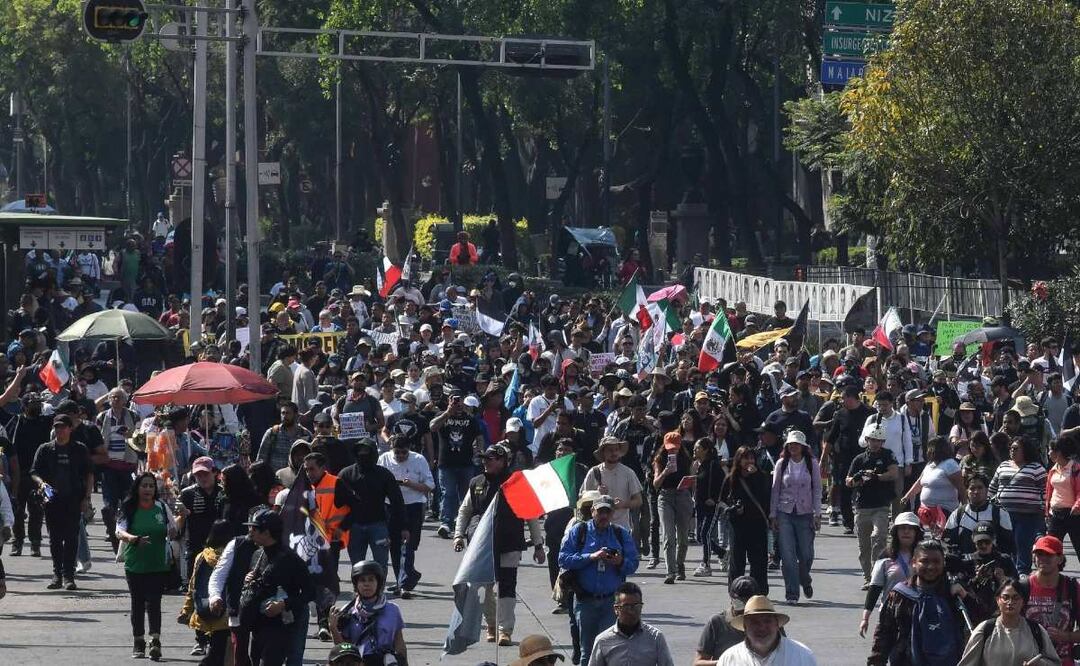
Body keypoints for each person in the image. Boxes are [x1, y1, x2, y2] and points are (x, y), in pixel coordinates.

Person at [454, 444, 544, 646]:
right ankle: (491, 626)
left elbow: (530, 515)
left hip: (510, 543)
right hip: (481, 545)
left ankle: (505, 630)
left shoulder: (517, 483)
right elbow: (465, 511)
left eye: (491, 458)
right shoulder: (476, 482)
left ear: (504, 461)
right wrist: (458, 535)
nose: (486, 462)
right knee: (482, 587)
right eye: (484, 458)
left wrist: (538, 545)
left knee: (507, 587)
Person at [558, 494, 640, 666]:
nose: (604, 516)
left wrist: (620, 562)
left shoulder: (620, 534)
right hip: (585, 600)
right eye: (600, 511)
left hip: (611, 602)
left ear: (612, 514)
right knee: (587, 652)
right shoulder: (579, 531)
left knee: (610, 650)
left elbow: (633, 564)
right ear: (593, 511)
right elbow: (563, 558)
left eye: (607, 512)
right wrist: (590, 557)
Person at [869, 539, 969, 666]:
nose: (931, 567)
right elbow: (884, 632)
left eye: (936, 561)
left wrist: (966, 597)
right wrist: (876, 661)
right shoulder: (900, 595)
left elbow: (981, 622)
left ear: (944, 563)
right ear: (913, 563)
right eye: (924, 561)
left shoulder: (955, 594)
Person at [237, 508, 314, 666]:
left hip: (281, 626)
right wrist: (248, 580)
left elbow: (310, 592)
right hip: (257, 624)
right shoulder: (257, 555)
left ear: (267, 533)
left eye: (255, 529)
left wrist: (283, 604)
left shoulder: (290, 559)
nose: (250, 532)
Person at [116, 472, 178, 660]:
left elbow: (173, 531)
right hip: (135, 564)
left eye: (151, 486)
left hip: (158, 564)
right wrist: (133, 539)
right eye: (144, 486)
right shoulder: (129, 507)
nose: (148, 489)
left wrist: (178, 523)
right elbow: (119, 531)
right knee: (137, 603)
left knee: (154, 603)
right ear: (137, 488)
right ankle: (138, 641)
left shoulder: (161, 507)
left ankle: (155, 640)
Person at [31, 414, 94, 591]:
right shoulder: (45, 449)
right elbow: (34, 472)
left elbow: (90, 474)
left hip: (74, 499)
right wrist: (41, 483)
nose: (59, 430)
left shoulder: (79, 449)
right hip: (52, 501)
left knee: (72, 538)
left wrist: (87, 498)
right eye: (57, 427)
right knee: (55, 539)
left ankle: (69, 576)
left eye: (63, 427)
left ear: (70, 428)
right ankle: (57, 575)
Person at [770, 429, 821, 605]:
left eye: (797, 444)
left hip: (805, 512)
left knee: (806, 554)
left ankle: (804, 579)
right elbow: (775, 490)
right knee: (788, 555)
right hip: (785, 512)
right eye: (791, 444)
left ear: (803, 446)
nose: (793, 446)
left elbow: (817, 489)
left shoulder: (811, 463)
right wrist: (773, 514)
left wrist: (817, 513)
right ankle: (792, 592)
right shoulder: (781, 464)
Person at [378, 435, 434, 597]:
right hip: (391, 506)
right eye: (397, 453)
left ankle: (406, 578)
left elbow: (430, 486)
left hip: (413, 506)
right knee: (395, 546)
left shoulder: (419, 460)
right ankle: (400, 582)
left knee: (408, 545)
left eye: (404, 453)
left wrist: (411, 484)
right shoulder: (384, 459)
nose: (401, 456)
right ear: (391, 449)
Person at [336, 439, 405, 570]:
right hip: (353, 526)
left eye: (367, 452)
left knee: (381, 565)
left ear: (374, 454)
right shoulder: (346, 474)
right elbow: (337, 503)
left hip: (378, 525)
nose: (363, 456)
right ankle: (359, 590)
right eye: (360, 452)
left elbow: (397, 502)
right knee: (357, 566)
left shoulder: (384, 474)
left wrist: (403, 527)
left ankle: (379, 590)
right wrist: (341, 526)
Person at [958, 577, 1060, 665]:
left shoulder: (1036, 630)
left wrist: (1040, 664)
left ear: (1023, 601)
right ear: (998, 600)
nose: (1010, 602)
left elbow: (1055, 663)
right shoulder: (985, 630)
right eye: (1005, 597)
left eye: (1016, 598)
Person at [847, 424, 900, 589]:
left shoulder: (888, 455)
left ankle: (878, 576)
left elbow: (893, 473)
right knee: (864, 546)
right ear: (867, 440)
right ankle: (868, 577)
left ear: (882, 441)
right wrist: (858, 477)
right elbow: (848, 482)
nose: (875, 443)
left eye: (878, 440)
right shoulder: (859, 459)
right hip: (862, 507)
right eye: (872, 440)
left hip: (881, 506)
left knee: (878, 538)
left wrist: (877, 477)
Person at [328, 561, 408, 664]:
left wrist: (404, 662)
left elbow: (399, 642)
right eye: (362, 580)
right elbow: (343, 650)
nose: (367, 584)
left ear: (378, 583)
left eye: (371, 580)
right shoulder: (348, 612)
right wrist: (333, 629)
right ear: (356, 584)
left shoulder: (392, 610)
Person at [177, 519, 234, 666]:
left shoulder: (202, 556)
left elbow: (192, 586)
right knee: (219, 656)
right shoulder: (233, 557)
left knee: (215, 654)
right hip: (225, 614)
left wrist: (186, 610)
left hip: (204, 611)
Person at [859, 512, 924, 637]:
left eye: (910, 528)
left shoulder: (925, 556)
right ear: (896, 532)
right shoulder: (886, 556)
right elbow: (874, 589)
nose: (906, 531)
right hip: (890, 613)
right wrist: (865, 619)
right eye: (902, 528)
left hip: (919, 613)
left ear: (917, 532)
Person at [989, 437, 1047, 575]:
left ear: (1025, 451)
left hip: (1026, 517)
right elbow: (992, 488)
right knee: (1003, 546)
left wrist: (1043, 510)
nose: (1012, 451)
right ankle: (1005, 575)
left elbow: (1045, 492)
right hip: (1003, 515)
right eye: (1011, 448)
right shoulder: (1003, 466)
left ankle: (1022, 575)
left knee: (1022, 547)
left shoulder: (1037, 468)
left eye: (1016, 449)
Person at [431, 390, 483, 538]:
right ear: (449, 401)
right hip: (446, 463)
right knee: (448, 493)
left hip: (466, 463)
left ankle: (462, 524)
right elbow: (432, 427)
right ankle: (446, 523)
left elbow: (479, 436)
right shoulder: (442, 415)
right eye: (454, 400)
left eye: (459, 400)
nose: (457, 403)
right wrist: (448, 413)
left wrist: (480, 450)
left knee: (466, 495)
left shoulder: (470, 419)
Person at [822, 385, 873, 534]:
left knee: (865, 489)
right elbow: (831, 438)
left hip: (865, 458)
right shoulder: (840, 414)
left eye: (844, 398)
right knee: (845, 490)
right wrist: (823, 458)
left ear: (852, 397)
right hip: (844, 459)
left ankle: (865, 522)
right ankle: (848, 523)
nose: (842, 400)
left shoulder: (869, 413)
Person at [721, 445, 772, 596]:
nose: (749, 461)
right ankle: (736, 593)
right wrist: (733, 509)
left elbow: (766, 498)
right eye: (745, 458)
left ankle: (760, 593)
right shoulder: (731, 479)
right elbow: (722, 501)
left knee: (759, 562)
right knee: (737, 562)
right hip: (738, 526)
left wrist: (756, 477)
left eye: (751, 458)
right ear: (738, 460)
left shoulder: (761, 477)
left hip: (757, 524)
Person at [1023, 535, 1080, 664]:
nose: (1043, 558)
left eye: (1048, 554)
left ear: (1060, 559)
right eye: (1039, 554)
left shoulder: (1072, 588)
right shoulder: (1023, 587)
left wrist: (1065, 636)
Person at [588, 581, 674, 665]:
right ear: (616, 609)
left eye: (636, 606)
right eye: (626, 606)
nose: (631, 611)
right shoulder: (603, 640)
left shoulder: (655, 638)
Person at [716, 595, 817, 665]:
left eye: (767, 621)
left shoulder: (802, 655)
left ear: (777, 625)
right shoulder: (729, 658)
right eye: (754, 622)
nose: (761, 627)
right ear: (745, 627)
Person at [652, 431, 693, 584]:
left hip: (683, 496)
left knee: (683, 538)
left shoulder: (686, 459)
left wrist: (692, 477)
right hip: (665, 497)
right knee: (668, 536)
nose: (672, 451)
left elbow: (692, 479)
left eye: (675, 448)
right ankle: (670, 572)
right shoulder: (659, 459)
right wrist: (665, 471)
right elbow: (655, 484)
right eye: (669, 448)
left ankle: (679, 564)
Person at [580, 436, 644, 534]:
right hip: (597, 528)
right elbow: (582, 499)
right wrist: (597, 494)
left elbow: (638, 501)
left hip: (621, 528)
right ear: (603, 452)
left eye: (616, 449)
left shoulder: (628, 472)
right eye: (610, 450)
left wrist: (623, 504)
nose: (614, 453)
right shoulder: (594, 472)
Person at [943, 472, 1015, 557]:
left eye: (980, 488)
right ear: (967, 491)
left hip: (994, 566)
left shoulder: (1000, 514)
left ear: (987, 490)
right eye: (972, 488)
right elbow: (947, 542)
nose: (976, 492)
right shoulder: (958, 514)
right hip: (965, 565)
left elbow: (1009, 545)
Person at [694, 575, 761, 665]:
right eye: (740, 603)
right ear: (731, 599)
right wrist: (727, 662)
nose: (744, 609)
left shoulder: (768, 623)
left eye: (749, 603)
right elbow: (698, 663)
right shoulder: (717, 622)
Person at [900, 436, 965, 514]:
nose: (928, 451)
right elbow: (919, 482)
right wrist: (906, 497)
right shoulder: (929, 464)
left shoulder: (950, 464)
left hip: (944, 512)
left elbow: (961, 488)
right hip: (925, 512)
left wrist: (964, 509)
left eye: (930, 448)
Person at [692, 436, 725, 577]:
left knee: (705, 534)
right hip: (699, 505)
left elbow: (723, 484)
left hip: (711, 506)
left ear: (706, 450)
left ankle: (706, 565)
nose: (695, 450)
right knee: (700, 536)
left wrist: (716, 499)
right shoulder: (699, 465)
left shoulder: (713, 465)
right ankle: (723, 553)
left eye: (698, 447)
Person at [1046, 437, 1080, 560]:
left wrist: (1077, 506)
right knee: (1050, 549)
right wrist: (1047, 511)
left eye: (1050, 450)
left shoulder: (1076, 468)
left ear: (1058, 452)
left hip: (1074, 515)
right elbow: (1050, 492)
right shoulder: (1053, 470)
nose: (1048, 453)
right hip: (1056, 515)